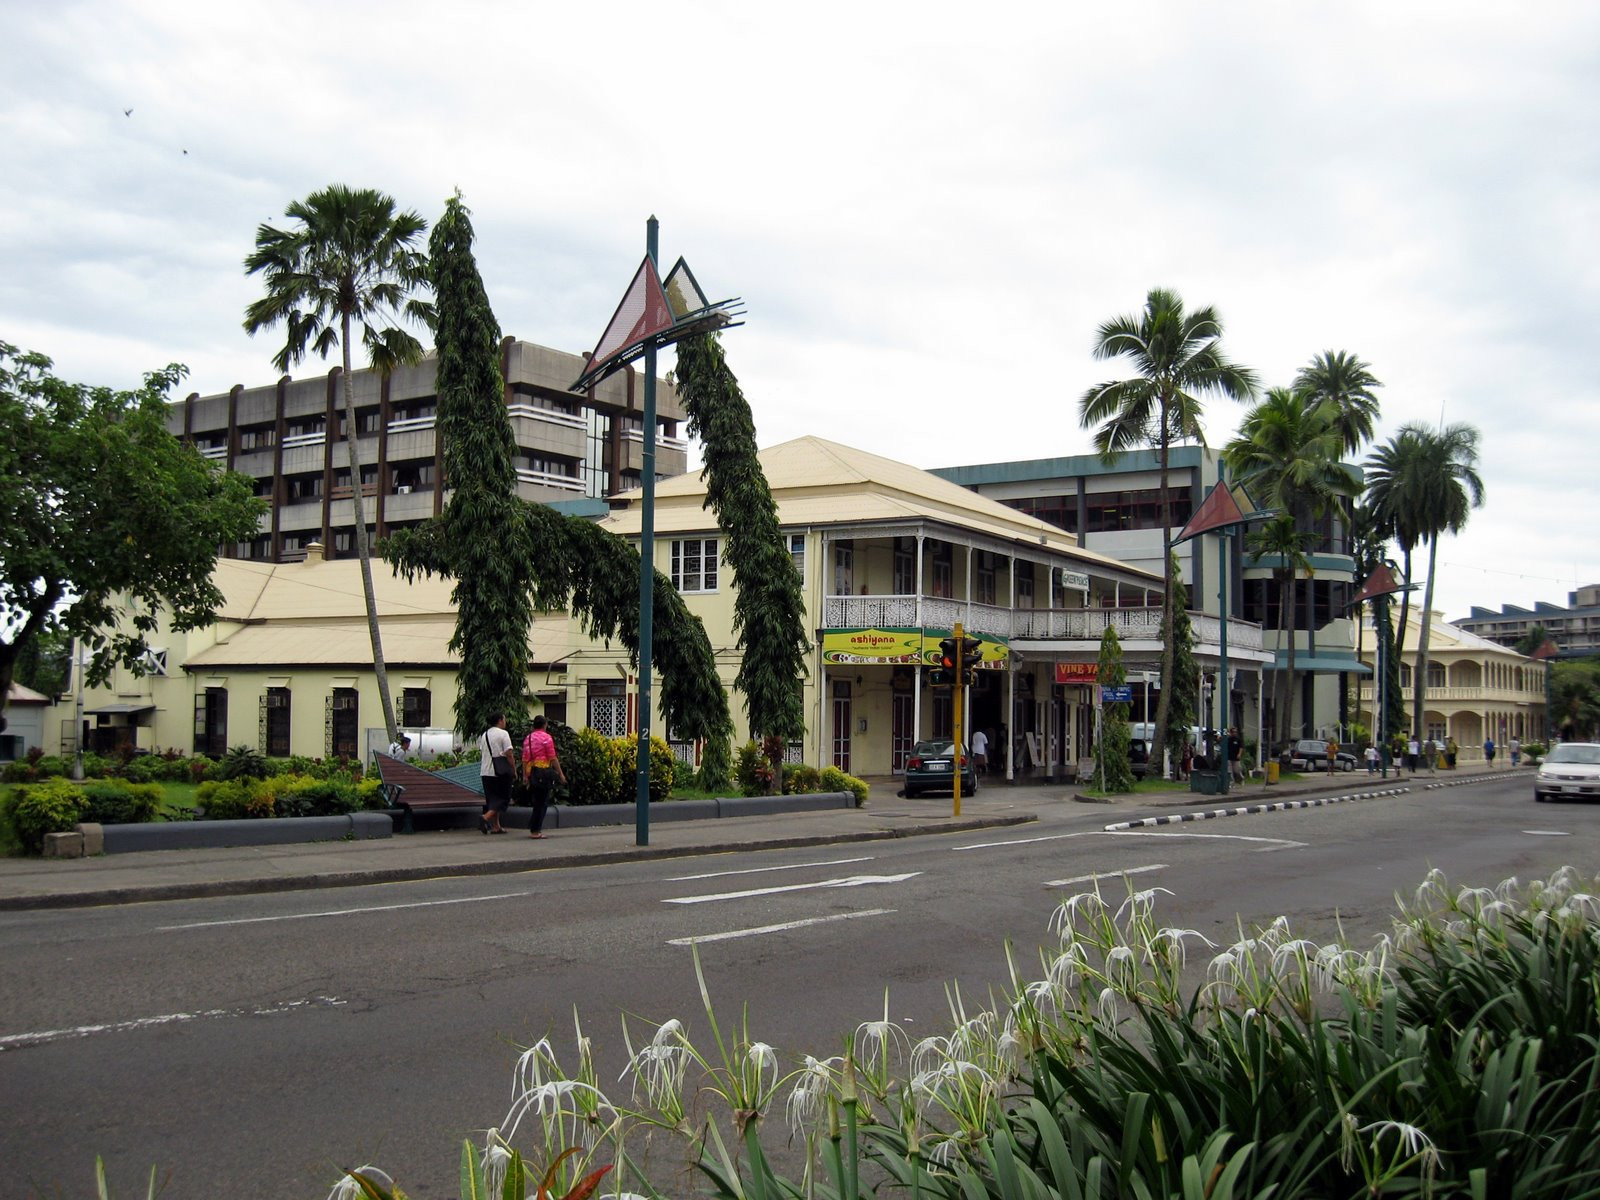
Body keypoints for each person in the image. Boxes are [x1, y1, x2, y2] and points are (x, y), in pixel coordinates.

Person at [520, 714, 566, 839]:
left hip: (532, 772)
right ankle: (535, 830)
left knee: (537, 802)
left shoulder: (528, 738)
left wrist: (525, 776)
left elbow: (524, 759)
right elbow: (553, 758)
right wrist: (560, 774)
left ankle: (534, 828)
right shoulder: (547, 738)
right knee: (542, 802)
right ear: (545, 725)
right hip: (544, 772)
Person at [478, 713, 514, 834]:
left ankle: (496, 826)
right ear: (500, 721)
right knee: (504, 798)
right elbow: (509, 753)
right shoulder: (503, 734)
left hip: (485, 772)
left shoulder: (485, 734)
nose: (505, 722)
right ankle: (485, 817)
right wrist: (513, 769)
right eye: (504, 719)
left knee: (492, 800)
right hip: (499, 772)